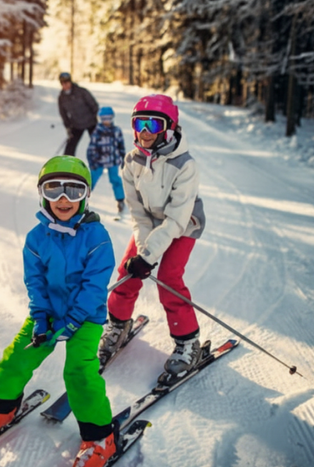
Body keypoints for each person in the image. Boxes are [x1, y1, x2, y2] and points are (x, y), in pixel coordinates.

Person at [0, 155, 118, 467]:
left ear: (85, 196)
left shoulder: (97, 237)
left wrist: (74, 320)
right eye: (54, 189)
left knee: (79, 372)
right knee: (16, 357)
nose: (63, 199)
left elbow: (95, 286)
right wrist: (41, 317)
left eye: (74, 190)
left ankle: (100, 437)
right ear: (42, 194)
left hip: (85, 318)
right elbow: (36, 281)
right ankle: (0, 411)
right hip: (49, 312)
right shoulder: (36, 237)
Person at [98, 94, 207, 386]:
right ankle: (118, 325)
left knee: (169, 277)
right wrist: (143, 254)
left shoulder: (185, 165)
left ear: (169, 128)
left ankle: (188, 341)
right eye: (139, 124)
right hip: (150, 223)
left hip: (182, 225)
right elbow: (138, 214)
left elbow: (176, 220)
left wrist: (149, 257)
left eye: (153, 124)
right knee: (127, 271)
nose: (145, 131)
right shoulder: (131, 161)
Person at [86, 106, 127, 216]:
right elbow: (91, 148)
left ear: (112, 118)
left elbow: (121, 145)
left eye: (109, 118)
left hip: (113, 160)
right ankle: (83, 198)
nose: (106, 121)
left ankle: (120, 200)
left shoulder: (116, 131)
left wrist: (123, 158)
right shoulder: (97, 132)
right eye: (104, 119)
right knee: (91, 179)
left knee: (115, 179)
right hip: (98, 161)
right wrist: (92, 162)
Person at [58, 72, 100, 157]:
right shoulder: (61, 97)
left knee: (98, 143)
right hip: (76, 124)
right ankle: (67, 162)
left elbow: (93, 104)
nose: (65, 84)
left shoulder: (81, 92)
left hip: (91, 122)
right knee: (70, 146)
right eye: (62, 83)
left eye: (66, 82)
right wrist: (68, 126)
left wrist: (98, 117)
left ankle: (103, 161)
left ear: (70, 82)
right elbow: (63, 114)